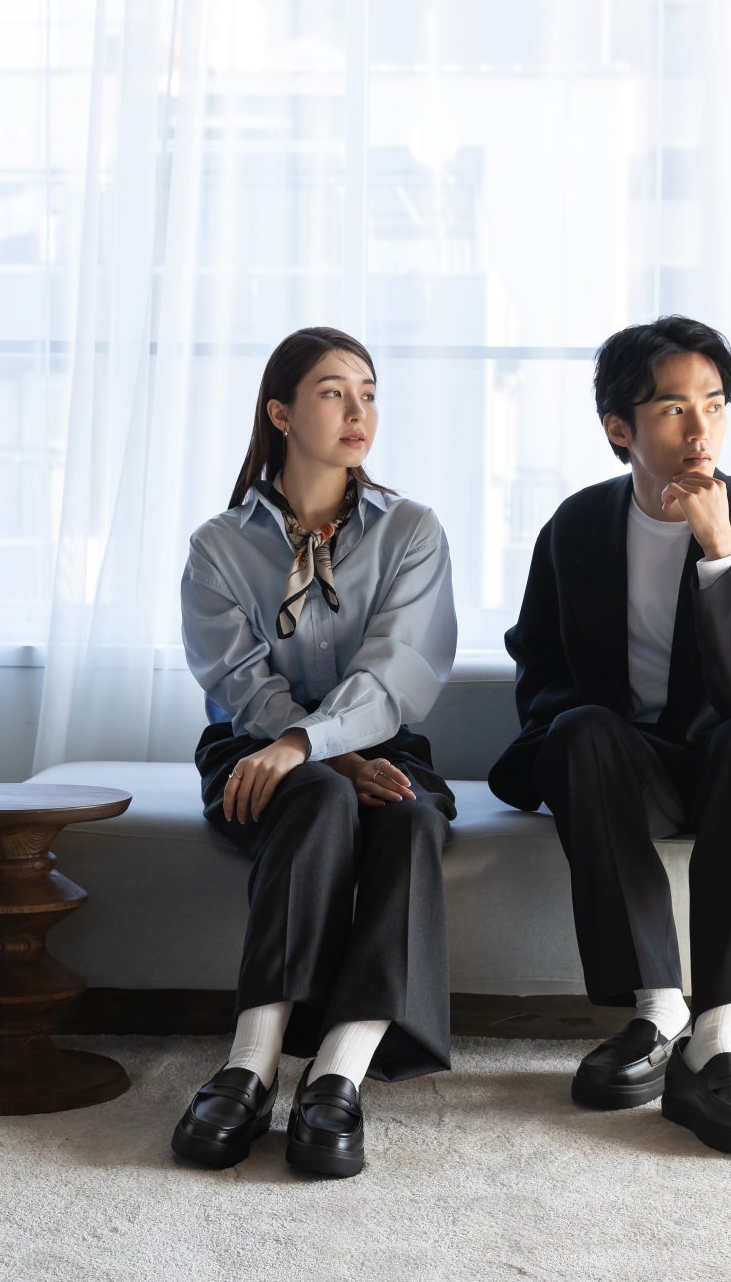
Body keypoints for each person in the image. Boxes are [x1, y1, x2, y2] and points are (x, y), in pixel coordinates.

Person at [488, 315, 731, 1156]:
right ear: (620, 428)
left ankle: (715, 1045)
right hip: (638, 763)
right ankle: (656, 1013)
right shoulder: (576, 528)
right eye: (673, 409)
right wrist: (585, 739)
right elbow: (539, 664)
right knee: (577, 731)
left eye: (715, 405)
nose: (701, 431)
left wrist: (719, 549)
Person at [170, 327, 457, 1179]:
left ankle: (337, 1074)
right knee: (322, 794)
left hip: (382, 743)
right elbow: (244, 687)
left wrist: (318, 743)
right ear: (281, 414)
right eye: (334, 393)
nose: (358, 411)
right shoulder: (218, 548)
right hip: (253, 749)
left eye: (368, 393)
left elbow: (396, 674)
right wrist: (315, 757)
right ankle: (250, 1065)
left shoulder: (412, 531)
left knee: (410, 820)